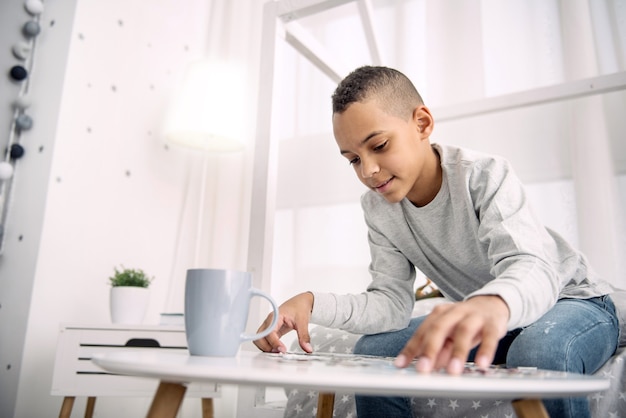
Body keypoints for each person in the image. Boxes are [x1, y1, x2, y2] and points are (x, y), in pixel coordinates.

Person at [254, 65, 623, 418]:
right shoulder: (379, 208)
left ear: (422, 123)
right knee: (372, 353)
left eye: (379, 145)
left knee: (539, 349)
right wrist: (312, 302)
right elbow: (391, 304)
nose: (368, 170)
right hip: (498, 319)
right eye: (353, 159)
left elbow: (533, 268)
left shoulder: (484, 176)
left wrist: (490, 303)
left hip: (572, 301)